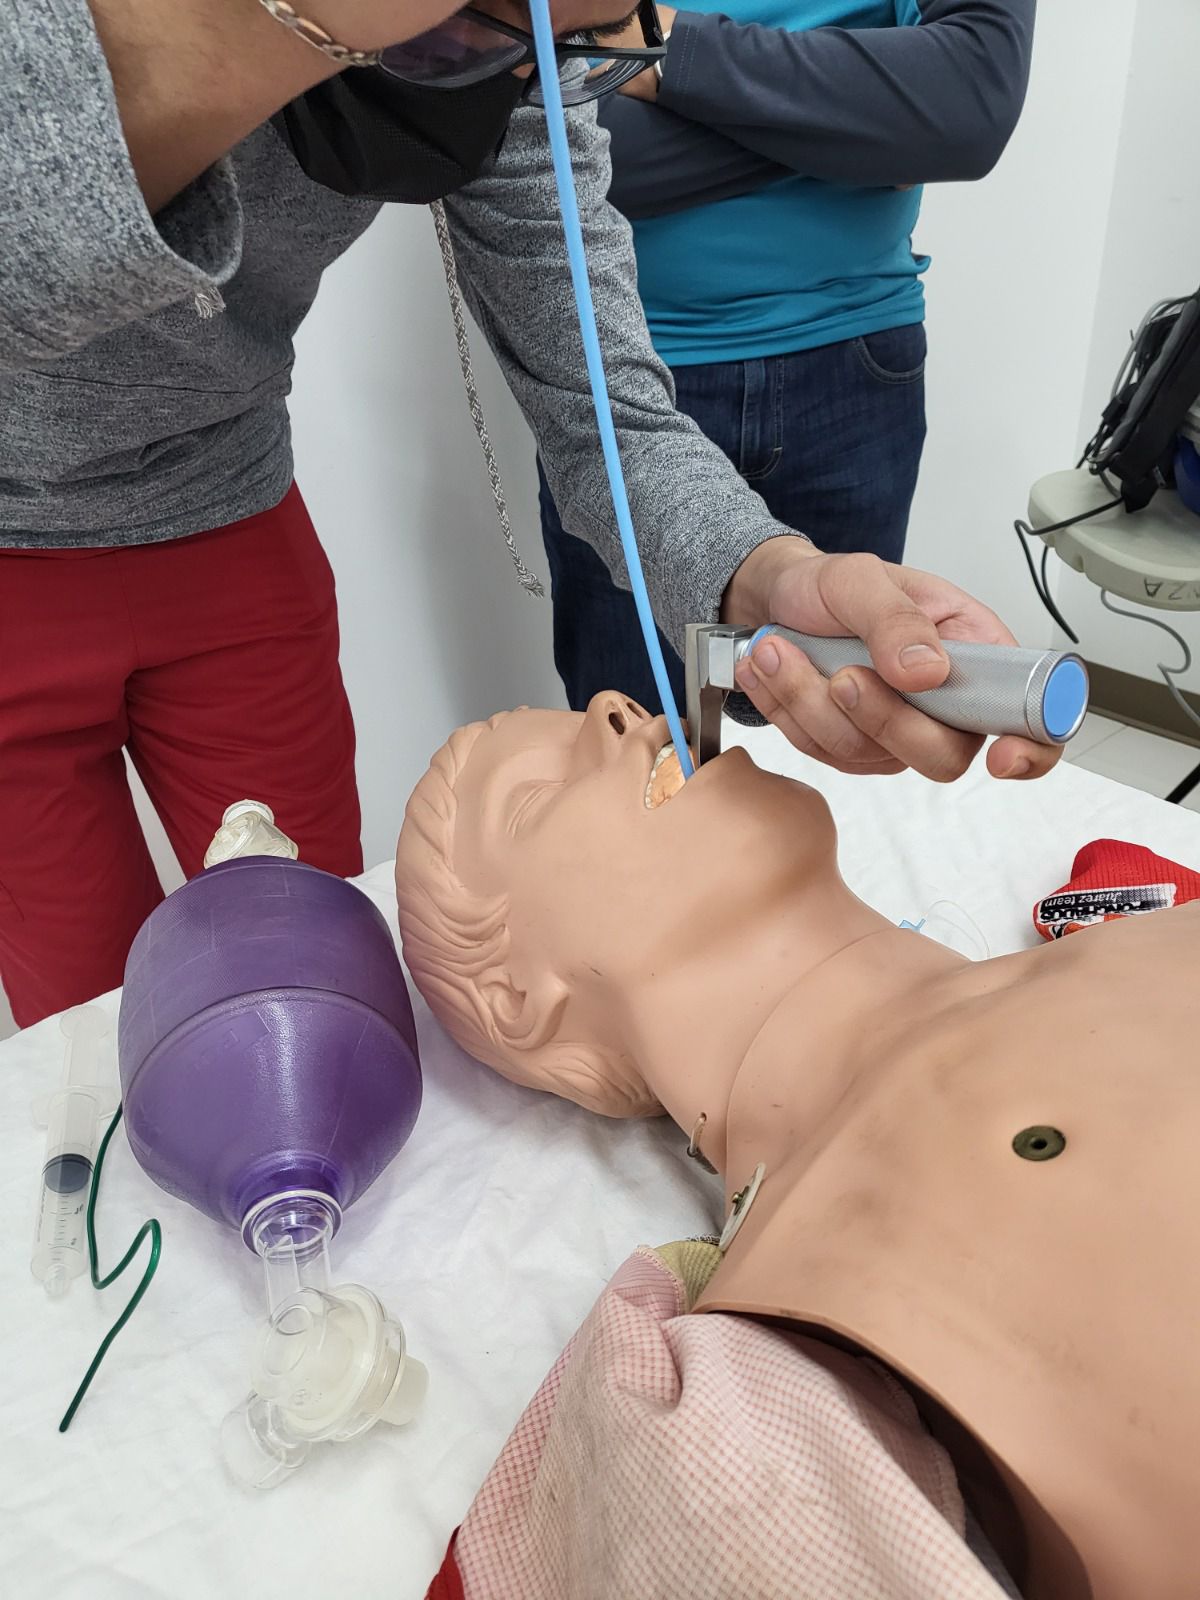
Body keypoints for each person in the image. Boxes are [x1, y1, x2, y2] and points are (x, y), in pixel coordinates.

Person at [0, 0, 1055, 1030]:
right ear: (522, 1008)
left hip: (234, 521)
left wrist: (769, 569)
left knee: (320, 988)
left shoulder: (501, 67)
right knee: (87, 1032)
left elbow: (608, 415)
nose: (617, 719)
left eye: (596, 38)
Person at [395, 693, 1200, 1600]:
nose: (616, 710)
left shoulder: (1133, 916)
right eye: (531, 798)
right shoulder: (752, 1387)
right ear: (520, 1004)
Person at [538, 0, 1037, 713]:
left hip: (856, 369)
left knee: (838, 733)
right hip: (624, 383)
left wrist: (666, 47)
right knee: (635, 753)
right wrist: (860, 129)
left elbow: (964, 109)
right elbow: (565, 157)